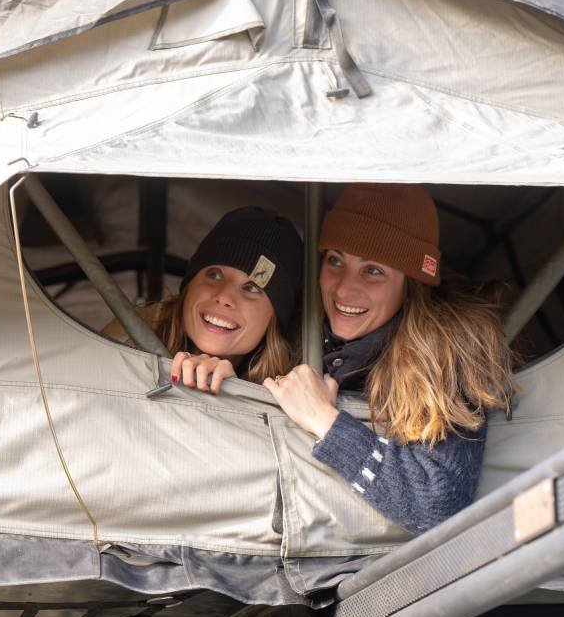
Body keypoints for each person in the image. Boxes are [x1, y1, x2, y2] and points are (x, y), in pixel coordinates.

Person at [263, 184, 515, 534]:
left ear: (411, 285)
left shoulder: (447, 353)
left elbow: (437, 504)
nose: (344, 288)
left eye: (373, 271)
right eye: (335, 260)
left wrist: (326, 420)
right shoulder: (293, 326)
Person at [104, 206, 302, 392]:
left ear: (276, 316)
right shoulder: (123, 343)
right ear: (189, 285)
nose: (224, 297)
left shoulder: (290, 399)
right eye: (214, 275)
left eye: (251, 288)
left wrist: (234, 396)